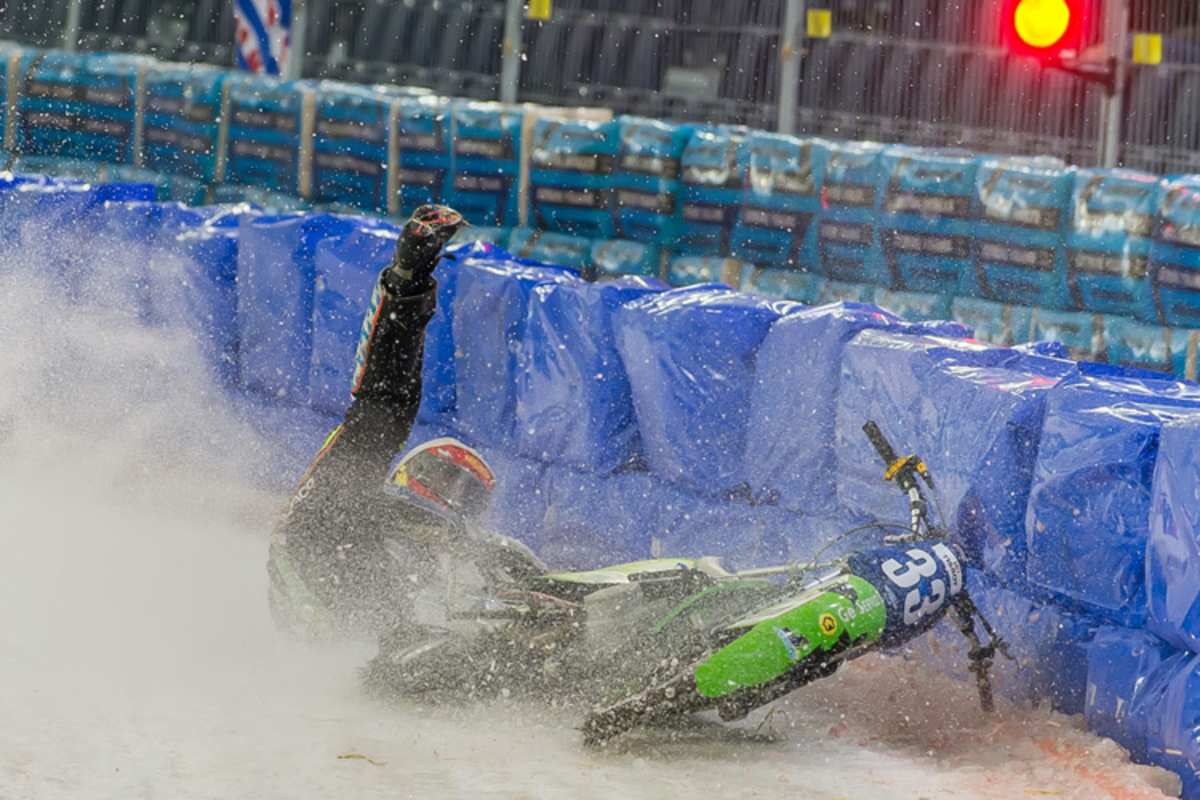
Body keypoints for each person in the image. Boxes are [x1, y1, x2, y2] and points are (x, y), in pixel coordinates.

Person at [267, 204, 541, 639]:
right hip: (321, 570)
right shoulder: (343, 504)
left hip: (381, 641)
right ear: (411, 477)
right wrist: (408, 282)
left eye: (467, 498)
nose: (453, 501)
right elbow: (380, 396)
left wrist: (523, 576)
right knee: (384, 416)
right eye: (450, 485)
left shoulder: (430, 574)